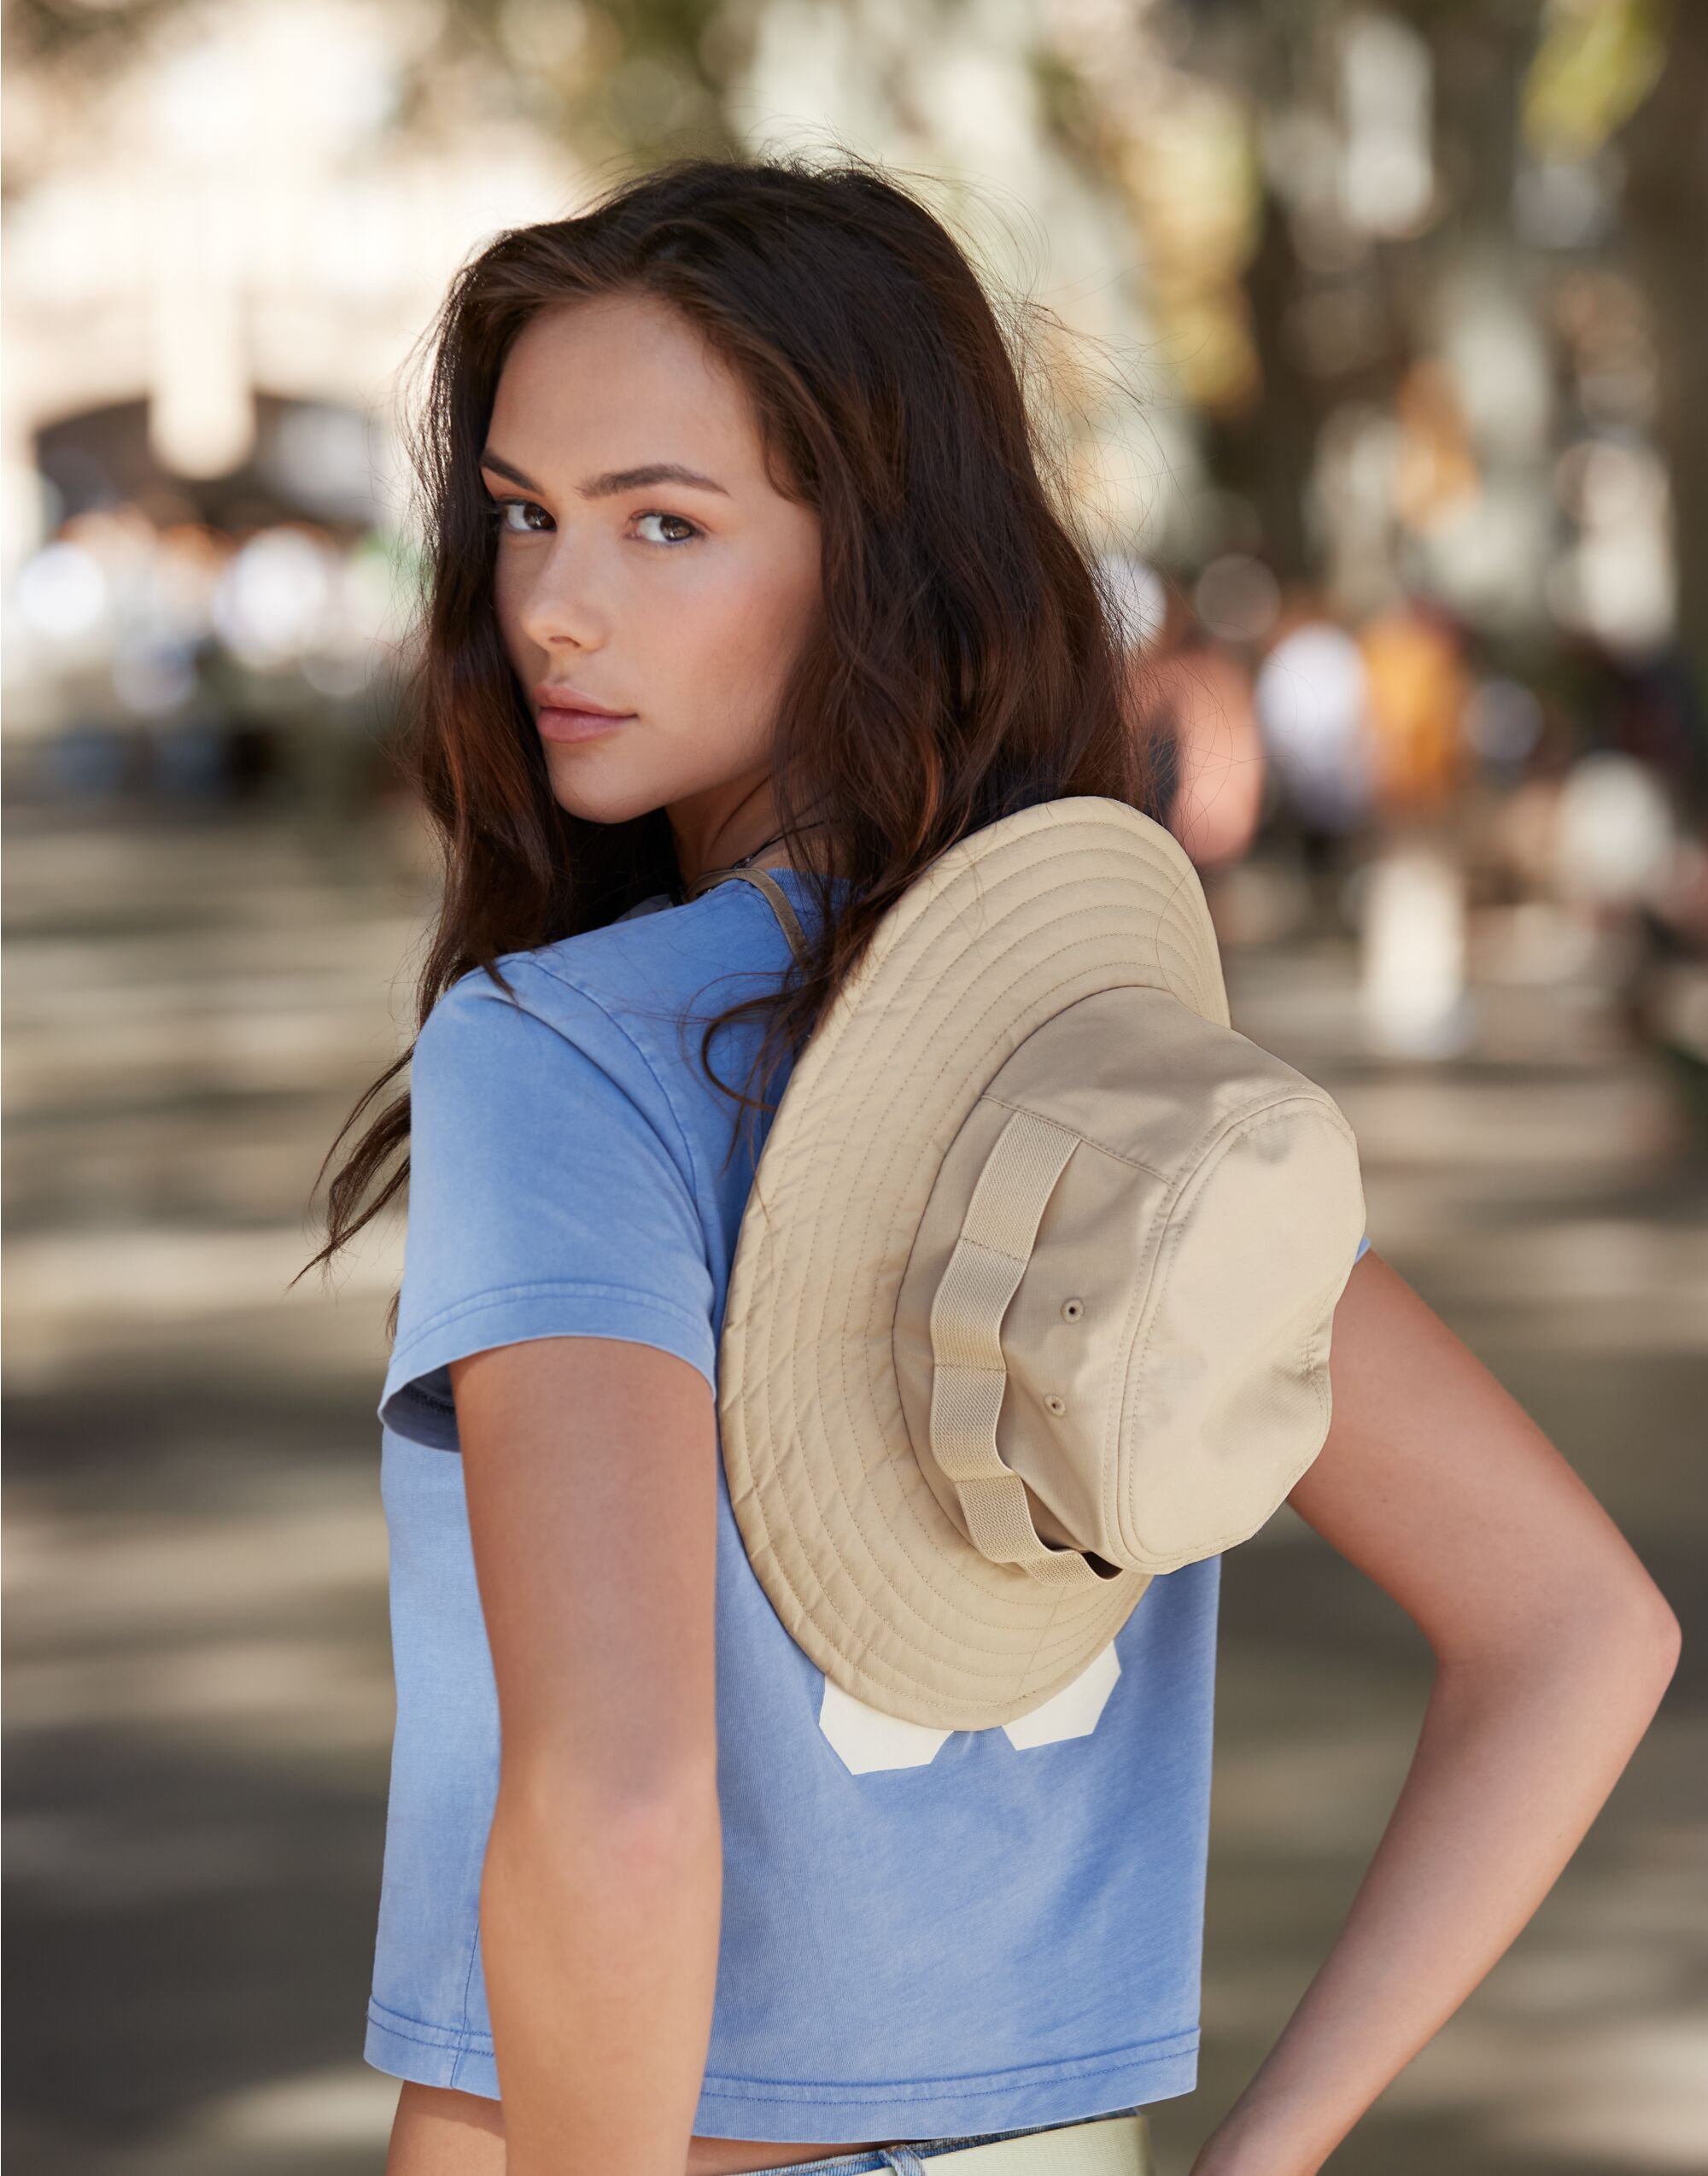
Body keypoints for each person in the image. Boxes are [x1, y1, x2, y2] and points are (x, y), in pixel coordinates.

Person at [302, 156, 1679, 2176]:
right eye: (524, 515)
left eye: (663, 522)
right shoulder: (1106, 1087)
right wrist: (1267, 2149)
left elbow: (617, 1810)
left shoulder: (558, 1061)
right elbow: (1578, 1622)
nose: (551, 607)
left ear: (874, 561)